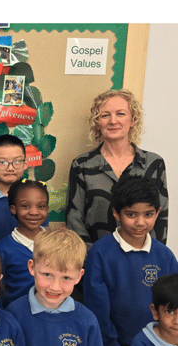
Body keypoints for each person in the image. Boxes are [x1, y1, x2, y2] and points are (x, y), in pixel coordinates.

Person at [84, 175, 178, 346]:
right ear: (116, 213)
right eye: (131, 214)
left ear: (157, 212)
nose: (140, 223)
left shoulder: (164, 255)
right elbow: (96, 304)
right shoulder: (100, 252)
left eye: (148, 214)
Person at [6, 228, 106, 346]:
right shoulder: (14, 314)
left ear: (79, 276)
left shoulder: (88, 321)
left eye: (66, 278)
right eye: (47, 275)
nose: (55, 287)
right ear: (31, 267)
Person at [66, 89, 168, 251]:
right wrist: (95, 258)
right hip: (95, 261)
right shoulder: (82, 165)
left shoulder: (154, 164)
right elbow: (74, 219)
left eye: (120, 114)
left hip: (141, 261)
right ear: (97, 122)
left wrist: (151, 258)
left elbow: (161, 217)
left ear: (133, 120)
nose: (113, 121)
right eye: (105, 115)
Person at [0, 135, 48, 242]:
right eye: (2, 162)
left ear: (25, 164)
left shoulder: (36, 197)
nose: (10, 168)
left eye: (17, 161)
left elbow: (45, 235)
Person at [0, 179, 49, 308]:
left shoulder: (56, 245)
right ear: (13, 209)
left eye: (41, 206)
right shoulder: (2, 250)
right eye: (25, 206)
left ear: (47, 209)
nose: (34, 212)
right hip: (15, 319)